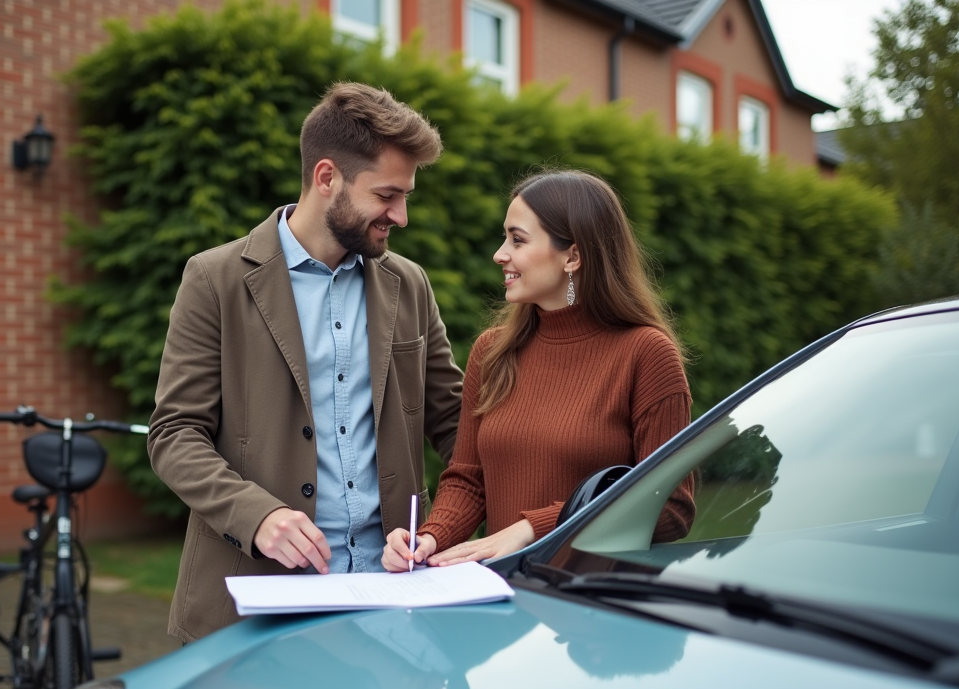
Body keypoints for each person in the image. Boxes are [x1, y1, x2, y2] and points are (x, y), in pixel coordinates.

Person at [149, 83, 464, 642]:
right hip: (256, 595)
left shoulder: (408, 283)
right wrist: (258, 517)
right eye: (388, 195)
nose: (402, 215)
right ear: (327, 179)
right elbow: (175, 435)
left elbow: (455, 422)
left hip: (393, 593)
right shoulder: (214, 279)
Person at [382, 169, 694, 572]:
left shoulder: (646, 354)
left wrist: (535, 527)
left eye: (518, 239)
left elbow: (670, 507)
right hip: (499, 595)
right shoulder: (492, 352)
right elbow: (469, 481)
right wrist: (428, 538)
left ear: (574, 256)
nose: (500, 254)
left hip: (590, 610)